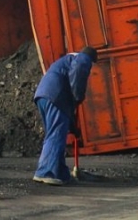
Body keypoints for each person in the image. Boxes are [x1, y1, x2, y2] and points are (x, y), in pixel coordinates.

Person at [32, 46, 98, 186]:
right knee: (56, 135)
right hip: (55, 96)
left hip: (44, 96)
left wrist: (73, 127)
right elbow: (79, 69)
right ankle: (46, 173)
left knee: (55, 134)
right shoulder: (82, 58)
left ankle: (60, 173)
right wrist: (78, 95)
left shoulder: (65, 60)